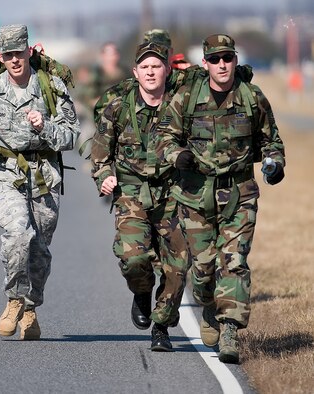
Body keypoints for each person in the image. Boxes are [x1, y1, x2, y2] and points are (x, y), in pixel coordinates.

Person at [155, 34, 286, 363]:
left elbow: (271, 140)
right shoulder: (186, 98)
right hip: (196, 196)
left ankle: (229, 331)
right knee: (203, 271)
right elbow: (163, 138)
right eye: (215, 59)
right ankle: (210, 305)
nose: (222, 64)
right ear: (205, 63)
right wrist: (177, 155)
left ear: (235, 60)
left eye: (227, 58)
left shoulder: (252, 97)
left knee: (234, 262)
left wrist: (275, 165)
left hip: (239, 194)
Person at [0, 24, 80, 340]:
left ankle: (30, 307)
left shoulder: (50, 87)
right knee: (17, 234)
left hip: (44, 176)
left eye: (19, 53)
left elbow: (70, 135)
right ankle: (14, 300)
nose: (14, 60)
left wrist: (46, 128)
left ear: (28, 52)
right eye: (8, 55)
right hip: (5, 172)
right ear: (1, 56)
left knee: (39, 249)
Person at [91, 41, 190, 351]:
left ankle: (161, 327)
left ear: (167, 70)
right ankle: (142, 293)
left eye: (156, 66)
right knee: (134, 260)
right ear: (135, 72)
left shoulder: (181, 106)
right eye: (144, 67)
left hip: (173, 194)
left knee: (177, 266)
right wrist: (104, 175)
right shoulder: (118, 107)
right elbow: (99, 150)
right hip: (131, 194)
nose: (150, 72)